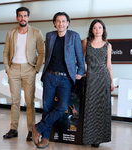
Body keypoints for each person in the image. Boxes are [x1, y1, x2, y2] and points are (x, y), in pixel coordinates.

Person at [31, 12, 84, 148]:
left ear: (68, 23)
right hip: (50, 76)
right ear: (55, 23)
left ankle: (38, 127)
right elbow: (48, 56)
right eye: (58, 21)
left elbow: (79, 56)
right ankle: (45, 138)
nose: (61, 23)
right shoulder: (50, 36)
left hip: (65, 78)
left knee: (61, 108)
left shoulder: (74, 36)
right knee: (47, 107)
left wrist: (80, 72)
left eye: (63, 21)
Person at [3, 7, 45, 141]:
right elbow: (5, 52)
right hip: (13, 69)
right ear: (17, 18)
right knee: (14, 101)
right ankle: (13, 129)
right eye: (20, 16)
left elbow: (42, 53)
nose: (23, 18)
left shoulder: (36, 32)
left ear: (29, 18)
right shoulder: (11, 33)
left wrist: (36, 68)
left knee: (29, 102)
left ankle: (31, 130)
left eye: (25, 16)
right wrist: (7, 69)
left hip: (29, 70)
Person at [82, 19, 115, 147]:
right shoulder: (86, 42)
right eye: (94, 28)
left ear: (103, 30)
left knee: (101, 109)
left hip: (103, 79)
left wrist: (112, 81)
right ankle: (88, 137)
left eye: (99, 27)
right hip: (90, 79)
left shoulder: (108, 45)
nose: (97, 30)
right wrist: (84, 71)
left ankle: (98, 140)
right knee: (90, 108)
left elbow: (109, 65)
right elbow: (80, 59)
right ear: (91, 30)